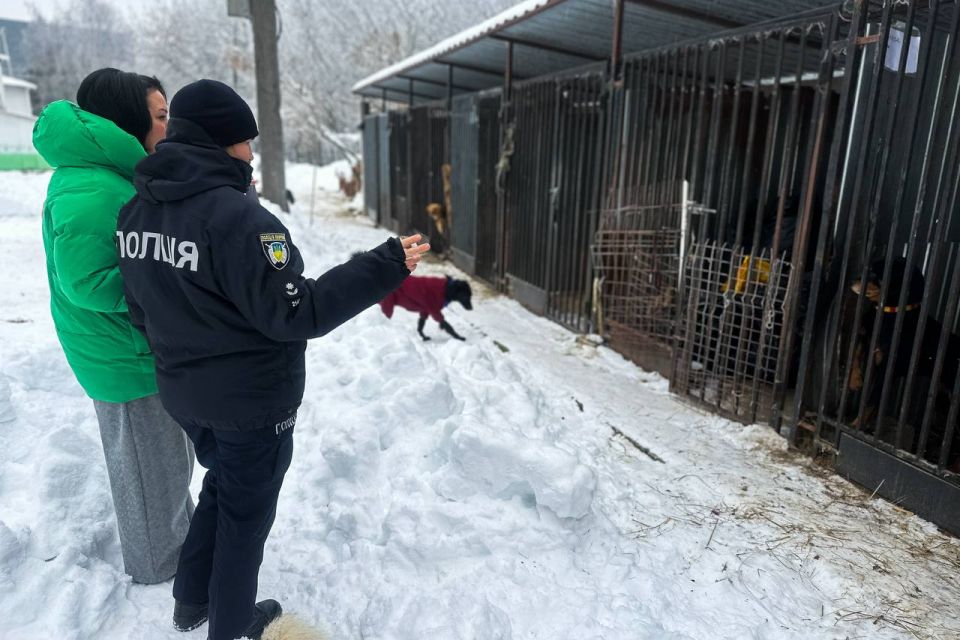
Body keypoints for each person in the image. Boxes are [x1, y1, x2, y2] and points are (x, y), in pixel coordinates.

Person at [116, 79, 428, 640]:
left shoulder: (138, 213)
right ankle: (233, 628)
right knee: (245, 519)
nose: (251, 153)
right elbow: (296, 313)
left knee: (222, 484)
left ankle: (191, 601)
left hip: (184, 394)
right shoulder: (241, 221)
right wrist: (384, 265)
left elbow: (142, 311)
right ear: (220, 141)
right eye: (245, 141)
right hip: (250, 404)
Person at [33, 68, 195, 585]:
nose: (169, 127)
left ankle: (174, 542)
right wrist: (167, 285)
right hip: (120, 357)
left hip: (133, 348)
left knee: (164, 465)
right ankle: (159, 572)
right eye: (161, 116)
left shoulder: (110, 172)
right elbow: (87, 282)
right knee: (148, 474)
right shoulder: (90, 185)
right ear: (129, 121)